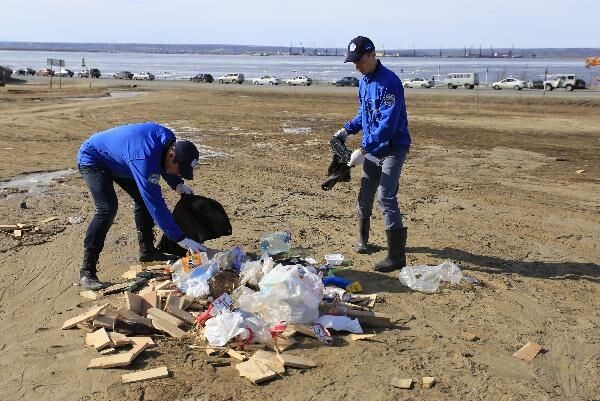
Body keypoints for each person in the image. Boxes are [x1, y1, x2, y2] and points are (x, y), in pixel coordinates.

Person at [75, 122, 206, 290]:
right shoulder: (144, 159)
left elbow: (163, 162)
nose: (178, 174)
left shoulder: (168, 142)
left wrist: (177, 183)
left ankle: (147, 252)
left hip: (123, 159)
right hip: (94, 158)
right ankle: (87, 271)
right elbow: (155, 203)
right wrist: (180, 238)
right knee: (107, 208)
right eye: (179, 171)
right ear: (173, 155)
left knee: (142, 200)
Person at [333, 36, 411, 272]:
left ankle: (396, 256)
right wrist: (346, 129)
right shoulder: (364, 82)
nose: (356, 66)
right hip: (372, 149)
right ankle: (363, 241)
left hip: (393, 149)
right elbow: (363, 115)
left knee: (386, 196)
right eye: (353, 62)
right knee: (365, 194)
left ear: (372, 54)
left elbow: (387, 125)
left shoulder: (390, 83)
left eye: (359, 61)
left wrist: (364, 149)